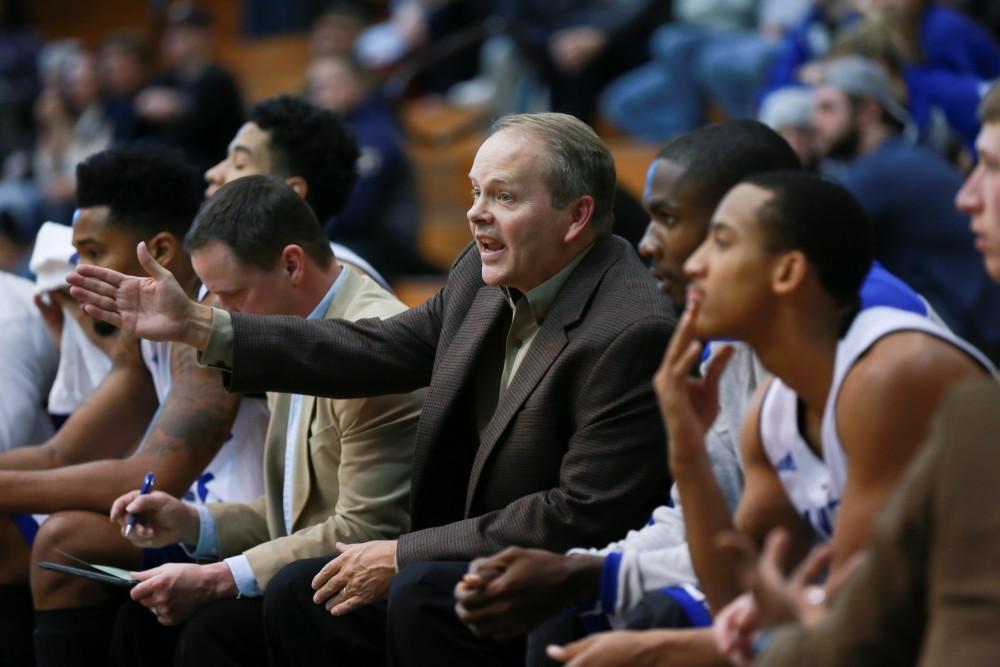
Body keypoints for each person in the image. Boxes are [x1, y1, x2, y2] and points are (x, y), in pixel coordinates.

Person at [69, 111, 675, 666]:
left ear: (577, 216)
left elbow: (579, 514)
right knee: (277, 606)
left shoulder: (630, 328)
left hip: (550, 578)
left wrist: (406, 553)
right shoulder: (481, 273)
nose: (476, 213)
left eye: (504, 196)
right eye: (475, 192)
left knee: (406, 589)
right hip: (453, 557)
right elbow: (380, 348)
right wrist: (202, 325)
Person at [454, 121, 942, 664]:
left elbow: (868, 609)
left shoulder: (884, 361)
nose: (646, 244)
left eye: (675, 222)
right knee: (565, 609)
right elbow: (740, 566)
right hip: (824, 613)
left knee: (650, 618)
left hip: (920, 630)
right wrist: (680, 454)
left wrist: (659, 636)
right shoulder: (755, 373)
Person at [548, 171, 993, 666]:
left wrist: (662, 650)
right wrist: (686, 445)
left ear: (787, 273)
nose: (694, 264)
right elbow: (734, 599)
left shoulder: (891, 376)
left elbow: (863, 635)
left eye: (722, 243)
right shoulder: (774, 407)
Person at [714, 76, 1000, 667]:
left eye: (993, 169)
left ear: (789, 262)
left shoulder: (901, 372)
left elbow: (857, 634)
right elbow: (822, 614)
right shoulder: (974, 417)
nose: (966, 196)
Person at [102, 174, 423, 667]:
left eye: (232, 296)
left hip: (370, 594)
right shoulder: (284, 328)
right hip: (308, 578)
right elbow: (296, 513)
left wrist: (220, 577)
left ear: (292, 265)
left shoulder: (370, 341)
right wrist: (192, 522)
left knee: (211, 633)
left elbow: (361, 530)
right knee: (143, 615)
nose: (222, 314)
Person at [0, 146, 269, 667]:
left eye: (96, 252)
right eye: (77, 255)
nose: (79, 273)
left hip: (238, 529)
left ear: (161, 250)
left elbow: (154, 473)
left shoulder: (210, 321)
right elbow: (62, 455)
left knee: (66, 541)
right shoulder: (142, 328)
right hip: (176, 518)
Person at [812, 55, 1000, 352]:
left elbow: (805, 237)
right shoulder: (897, 156)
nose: (815, 123)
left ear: (869, 111)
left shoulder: (881, 172)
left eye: (828, 108)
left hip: (973, 327)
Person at [203, 94, 388, 288]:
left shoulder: (345, 284)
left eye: (240, 163)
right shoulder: (212, 260)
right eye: (226, 158)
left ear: (290, 193)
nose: (212, 173)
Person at [132, 3, 243, 172]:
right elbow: (141, 123)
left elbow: (202, 135)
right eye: (169, 34)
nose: (170, 41)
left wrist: (179, 106)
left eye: (181, 34)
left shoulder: (220, 78)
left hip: (209, 168)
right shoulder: (166, 78)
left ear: (205, 36)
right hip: (169, 164)